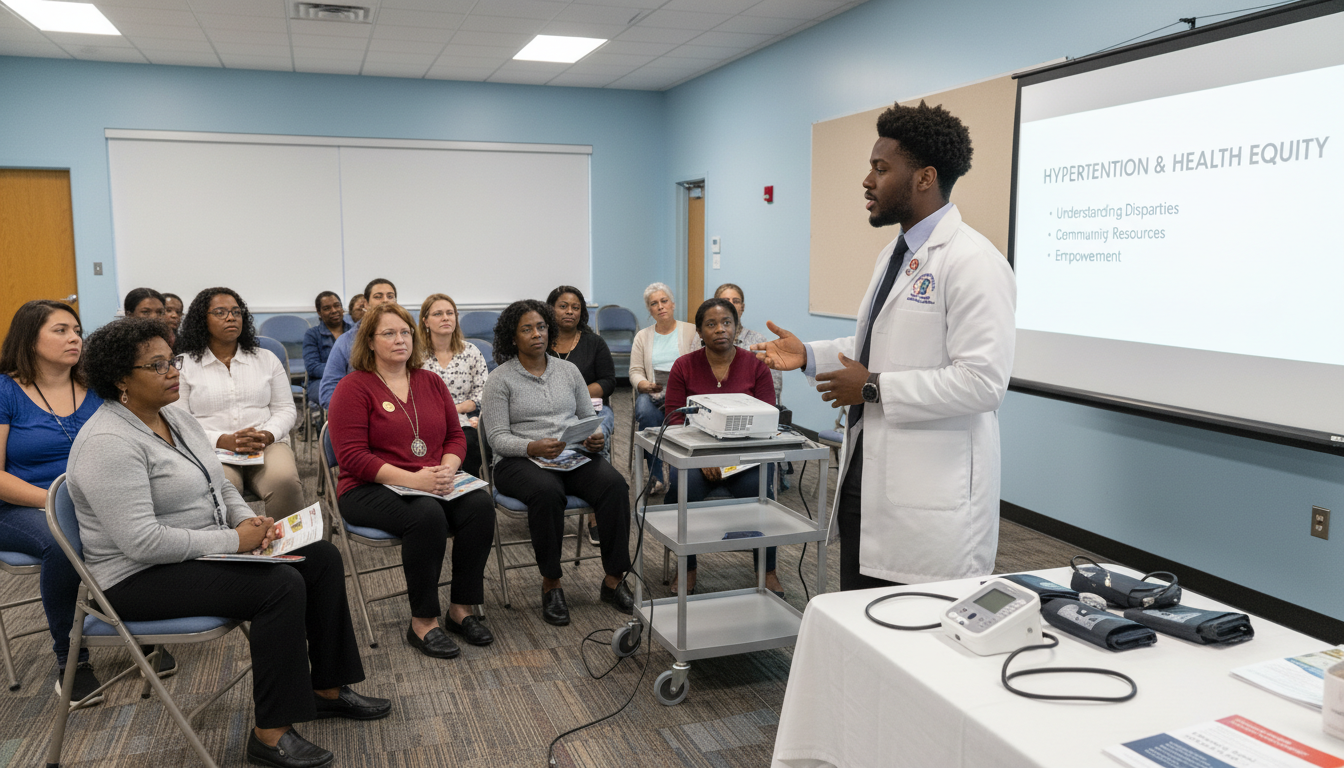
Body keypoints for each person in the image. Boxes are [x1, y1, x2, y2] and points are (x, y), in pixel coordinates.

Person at [68, 318, 388, 768]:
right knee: (279, 586)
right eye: (156, 365)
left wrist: (251, 522)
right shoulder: (108, 441)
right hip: (133, 580)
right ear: (120, 379)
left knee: (320, 556)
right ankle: (270, 734)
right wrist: (234, 540)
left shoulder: (175, 416)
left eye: (172, 360)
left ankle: (327, 689)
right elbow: (142, 543)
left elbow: (220, 485)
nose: (172, 372)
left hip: (197, 551)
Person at [752, 101, 1016, 590]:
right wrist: (809, 355)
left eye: (880, 168)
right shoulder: (893, 255)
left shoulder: (973, 262)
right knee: (864, 630)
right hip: (868, 480)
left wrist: (872, 387)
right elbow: (878, 346)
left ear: (924, 178)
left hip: (932, 504)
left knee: (918, 644)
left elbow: (983, 384)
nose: (867, 181)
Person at [329, 303, 496, 659]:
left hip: (431, 480)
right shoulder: (353, 387)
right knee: (426, 515)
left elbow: (455, 435)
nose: (399, 339)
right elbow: (353, 458)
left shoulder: (430, 381)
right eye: (388, 333)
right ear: (370, 342)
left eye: (405, 332)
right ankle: (423, 622)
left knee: (480, 505)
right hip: (367, 487)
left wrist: (450, 468)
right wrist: (414, 480)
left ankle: (461, 609)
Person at [482, 300, 634, 626]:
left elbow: (588, 417)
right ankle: (552, 584)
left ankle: (614, 579)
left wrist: (594, 436)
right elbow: (497, 438)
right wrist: (531, 446)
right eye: (527, 329)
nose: (537, 334)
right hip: (517, 460)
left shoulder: (568, 371)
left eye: (541, 327)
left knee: (615, 485)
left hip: (570, 454)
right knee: (547, 492)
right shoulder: (500, 379)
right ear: (512, 337)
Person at [0, 301, 110, 703]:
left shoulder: (96, 386)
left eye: (77, 330)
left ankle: (130, 622)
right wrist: (59, 501)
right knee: (61, 540)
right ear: (30, 339)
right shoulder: (5, 390)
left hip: (92, 501)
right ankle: (72, 660)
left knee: (132, 523)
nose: (75, 338)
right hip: (20, 507)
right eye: (61, 330)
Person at [664, 298, 781, 596]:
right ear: (700, 332)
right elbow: (675, 421)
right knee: (680, 491)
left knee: (762, 493)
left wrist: (734, 460)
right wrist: (701, 460)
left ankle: (767, 570)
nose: (720, 329)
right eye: (711, 324)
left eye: (726, 323)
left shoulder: (755, 366)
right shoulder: (684, 366)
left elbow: (768, 421)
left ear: (737, 327)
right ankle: (687, 567)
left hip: (745, 460)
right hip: (696, 459)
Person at [175, 288, 305, 519]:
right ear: (201, 320)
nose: (231, 317)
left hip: (266, 444)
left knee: (285, 481)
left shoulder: (266, 359)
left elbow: (285, 409)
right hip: (211, 448)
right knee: (220, 488)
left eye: (236, 311)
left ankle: (290, 551)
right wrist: (223, 440)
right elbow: (179, 421)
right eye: (220, 312)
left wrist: (266, 435)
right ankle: (236, 549)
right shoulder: (184, 365)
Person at [546, 285, 615, 545]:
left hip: (593, 406)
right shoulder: (541, 341)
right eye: (563, 306)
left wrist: (578, 394)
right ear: (550, 309)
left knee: (598, 436)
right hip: (551, 410)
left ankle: (596, 513)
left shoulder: (594, 342)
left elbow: (608, 380)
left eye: (576, 307)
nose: (569, 312)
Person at [627, 283, 695, 493]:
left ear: (673, 304)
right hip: (653, 391)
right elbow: (635, 370)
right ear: (649, 310)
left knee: (690, 415)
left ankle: (683, 474)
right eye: (654, 304)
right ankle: (657, 476)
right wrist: (643, 383)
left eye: (664, 301)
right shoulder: (642, 336)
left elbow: (700, 364)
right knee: (646, 413)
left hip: (685, 392)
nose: (660, 306)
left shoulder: (691, 331)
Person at [417, 293, 488, 477]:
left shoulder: (471, 351)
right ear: (425, 321)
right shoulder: (415, 355)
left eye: (450, 313)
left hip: (464, 420)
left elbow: (484, 391)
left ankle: (467, 491)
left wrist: (462, 408)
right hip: (425, 422)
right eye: (438, 314)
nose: (445, 318)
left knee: (471, 440)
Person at [691, 283, 783, 403]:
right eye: (725, 301)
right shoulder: (701, 339)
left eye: (736, 301)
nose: (731, 305)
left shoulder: (758, 340)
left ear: (742, 307)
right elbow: (693, 374)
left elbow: (773, 387)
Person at [320, 279, 397, 409]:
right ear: (366, 304)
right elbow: (328, 391)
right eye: (378, 296)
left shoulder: (407, 338)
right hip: (360, 410)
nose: (385, 300)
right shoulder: (346, 342)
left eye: (390, 296)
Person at [303, 291, 351, 405]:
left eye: (337, 305)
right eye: (327, 308)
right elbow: (312, 366)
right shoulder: (312, 334)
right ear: (319, 312)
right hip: (322, 381)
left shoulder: (354, 332)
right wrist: (341, 371)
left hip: (353, 378)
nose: (334, 310)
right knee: (339, 398)